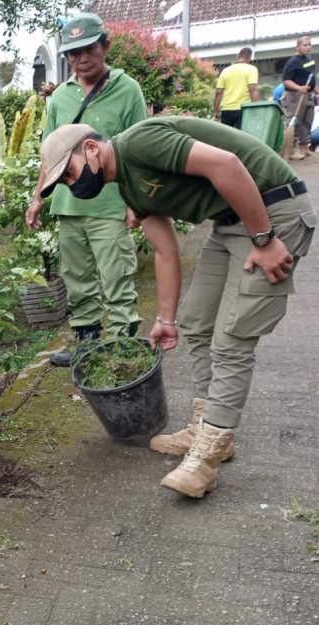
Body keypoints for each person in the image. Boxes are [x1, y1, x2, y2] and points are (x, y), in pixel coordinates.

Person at [38, 118, 315, 498]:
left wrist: (264, 238)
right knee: (196, 323)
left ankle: (207, 456)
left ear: (90, 149)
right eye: (65, 183)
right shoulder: (130, 190)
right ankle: (206, 427)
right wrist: (164, 320)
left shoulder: (139, 142)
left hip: (273, 210)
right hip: (230, 222)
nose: (73, 184)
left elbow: (227, 165)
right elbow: (166, 252)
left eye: (69, 173)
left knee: (233, 339)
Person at [27, 12, 146, 366]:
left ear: (105, 46)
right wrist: (37, 199)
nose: (81, 59)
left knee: (117, 276)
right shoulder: (60, 98)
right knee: (76, 279)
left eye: (89, 49)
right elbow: (50, 154)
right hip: (68, 205)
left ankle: (124, 344)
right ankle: (88, 342)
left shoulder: (128, 89)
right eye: (72, 53)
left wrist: (135, 203)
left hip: (111, 205)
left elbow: (139, 152)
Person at [282, 35, 316, 160]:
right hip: (294, 96)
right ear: (297, 47)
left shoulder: (309, 59)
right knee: (294, 121)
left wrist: (316, 89)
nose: (308, 47)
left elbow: (311, 76)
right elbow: (286, 81)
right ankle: (291, 150)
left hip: (308, 95)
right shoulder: (292, 62)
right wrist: (298, 88)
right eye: (305, 45)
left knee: (307, 121)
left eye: (309, 44)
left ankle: (304, 148)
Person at [213, 47, 260, 129]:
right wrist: (257, 109)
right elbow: (252, 89)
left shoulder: (225, 71)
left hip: (227, 110)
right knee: (242, 137)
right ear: (250, 57)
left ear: (237, 56)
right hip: (244, 109)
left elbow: (218, 93)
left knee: (226, 137)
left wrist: (216, 111)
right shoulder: (251, 69)